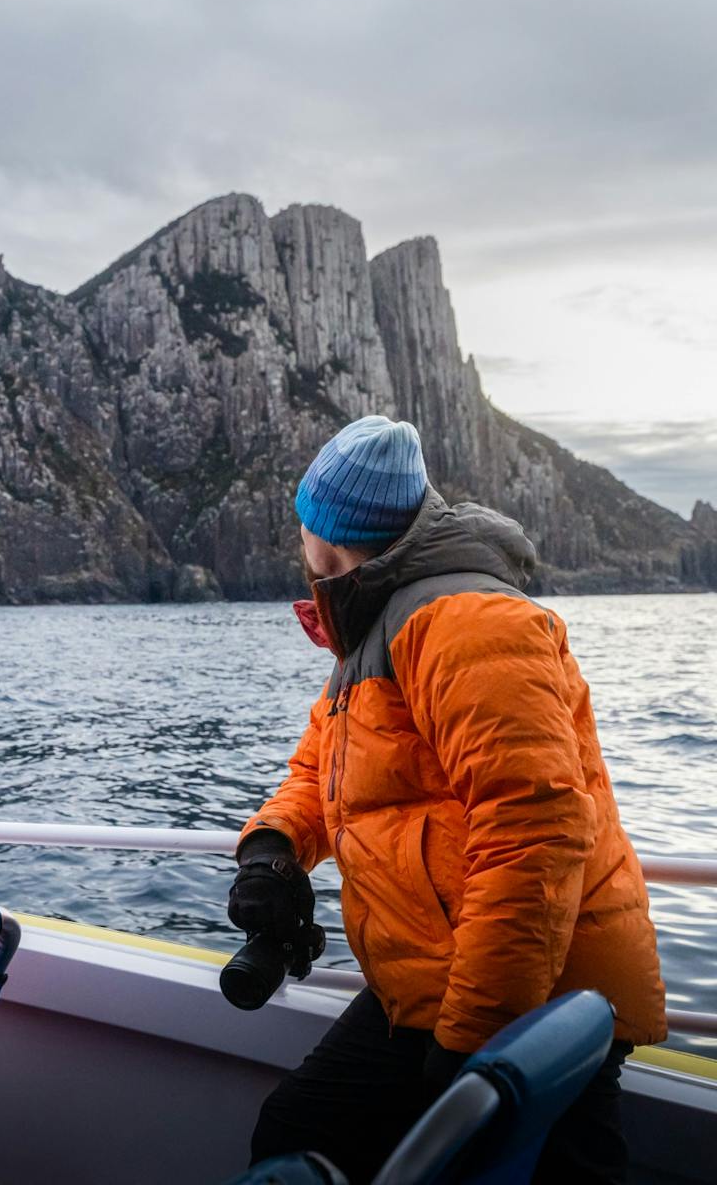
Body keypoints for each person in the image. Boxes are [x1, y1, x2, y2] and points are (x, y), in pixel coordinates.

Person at [232, 416, 665, 1184]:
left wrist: (472, 1038)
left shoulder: (466, 622)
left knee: (545, 1169)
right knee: (300, 1130)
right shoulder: (377, 624)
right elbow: (318, 767)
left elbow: (534, 832)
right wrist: (273, 846)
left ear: (321, 534)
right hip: (444, 973)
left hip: (537, 989)